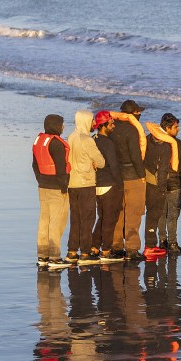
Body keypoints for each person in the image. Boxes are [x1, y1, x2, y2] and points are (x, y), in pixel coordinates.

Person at [66, 110, 105, 264]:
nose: (93, 124)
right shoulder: (87, 139)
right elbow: (101, 162)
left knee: (75, 218)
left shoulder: (71, 137)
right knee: (88, 217)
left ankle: (72, 251)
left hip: (72, 183)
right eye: (91, 121)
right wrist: (94, 163)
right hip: (86, 183)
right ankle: (85, 252)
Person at [144, 113, 181, 253]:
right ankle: (173, 244)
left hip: (156, 182)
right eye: (176, 127)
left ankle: (162, 241)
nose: (178, 129)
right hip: (174, 183)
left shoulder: (150, 139)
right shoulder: (176, 144)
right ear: (167, 128)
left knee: (161, 213)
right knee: (173, 215)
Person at [111, 100, 148, 260]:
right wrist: (142, 175)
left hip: (116, 176)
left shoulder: (112, 128)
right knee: (133, 213)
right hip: (132, 175)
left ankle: (116, 246)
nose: (140, 114)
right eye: (138, 112)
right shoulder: (132, 130)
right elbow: (135, 156)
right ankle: (132, 249)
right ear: (133, 114)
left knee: (118, 212)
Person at [33, 113, 71, 267]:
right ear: (57, 126)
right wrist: (64, 187)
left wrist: (41, 180)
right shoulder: (58, 144)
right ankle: (55, 258)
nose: (64, 127)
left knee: (44, 220)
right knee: (57, 222)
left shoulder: (39, 141)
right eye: (62, 124)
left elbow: (34, 165)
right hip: (57, 188)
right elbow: (61, 169)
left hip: (43, 186)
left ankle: (42, 257)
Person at [91, 111, 123, 261]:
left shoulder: (93, 139)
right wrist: (120, 185)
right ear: (103, 126)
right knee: (110, 219)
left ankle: (94, 246)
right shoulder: (108, 143)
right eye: (111, 124)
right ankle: (105, 251)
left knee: (102, 217)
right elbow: (114, 166)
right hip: (109, 184)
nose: (114, 126)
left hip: (97, 184)